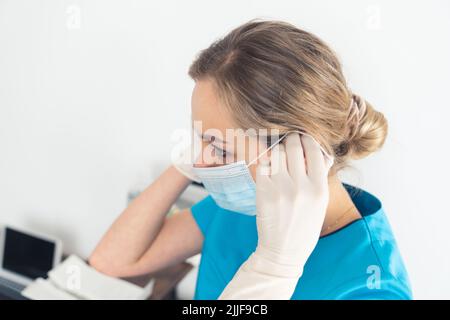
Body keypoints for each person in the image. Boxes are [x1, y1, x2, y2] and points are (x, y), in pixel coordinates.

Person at [89, 19, 412, 299]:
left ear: (299, 149)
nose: (203, 162)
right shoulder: (244, 204)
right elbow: (113, 261)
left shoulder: (372, 287)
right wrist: (189, 160)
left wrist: (275, 269)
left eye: (221, 147)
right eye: (198, 137)